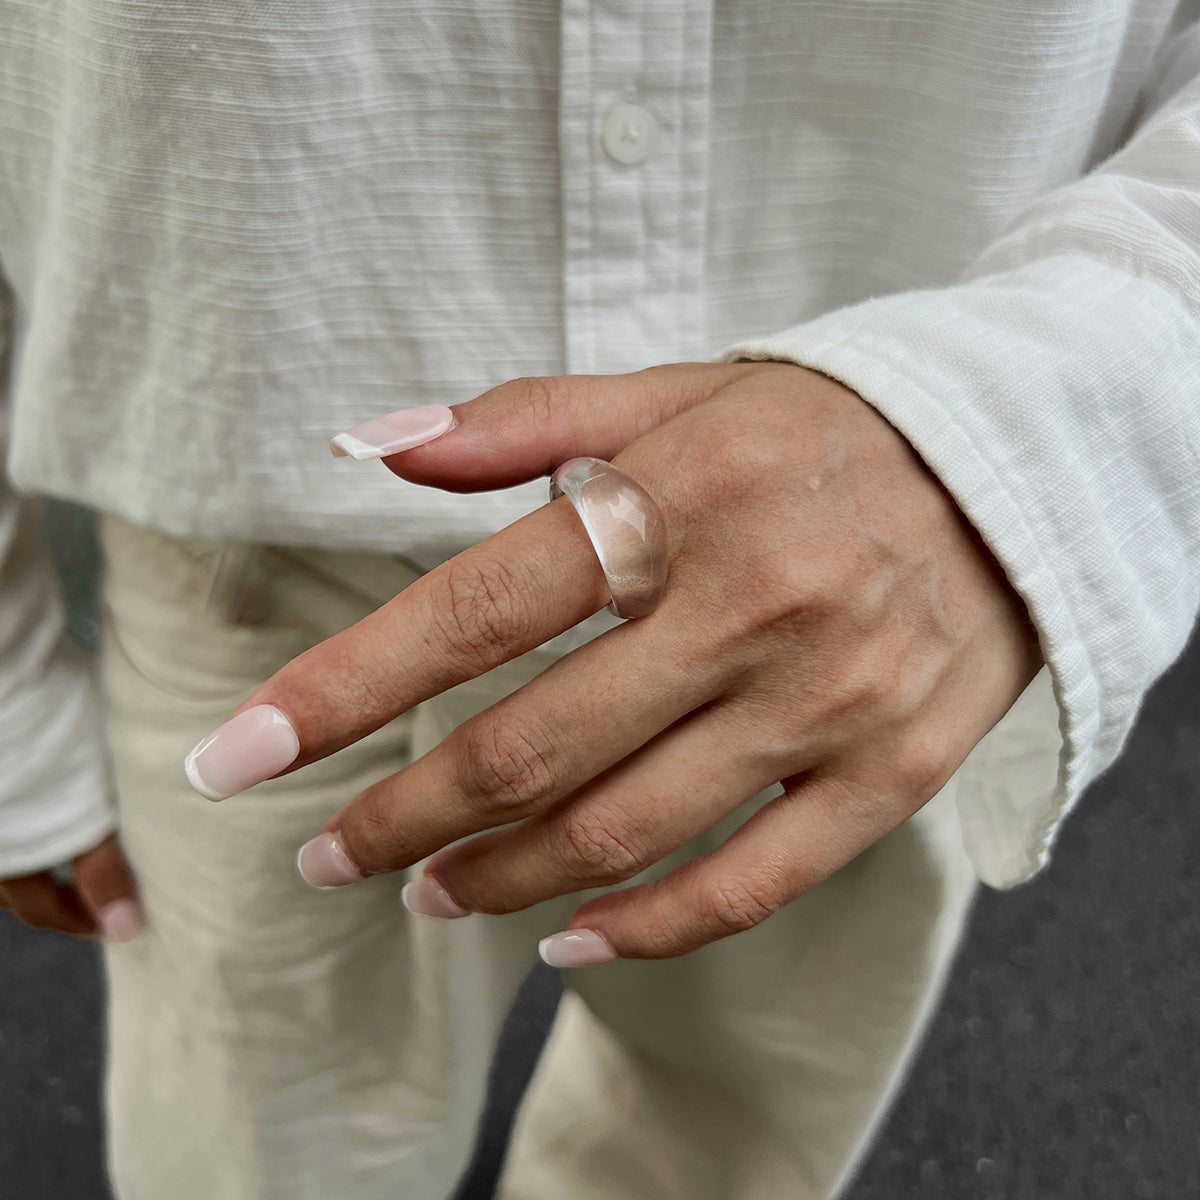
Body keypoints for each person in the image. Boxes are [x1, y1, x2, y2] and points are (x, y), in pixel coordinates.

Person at [1, 2, 1197, 1198]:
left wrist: (1012, 423)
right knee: (263, 1155)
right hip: (261, 548)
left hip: (878, 563)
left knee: (722, 1150)